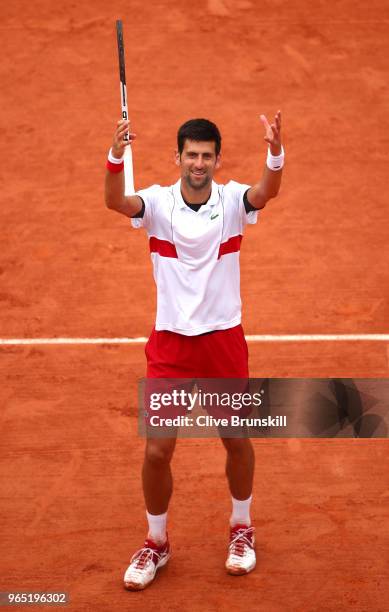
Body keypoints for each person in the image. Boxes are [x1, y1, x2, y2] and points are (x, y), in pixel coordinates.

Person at [104, 112, 284, 590]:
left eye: (207, 155)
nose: (199, 162)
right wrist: (116, 155)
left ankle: (241, 528)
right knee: (158, 450)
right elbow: (116, 202)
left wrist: (275, 153)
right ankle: (156, 542)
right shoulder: (158, 203)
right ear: (178, 157)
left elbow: (266, 193)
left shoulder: (231, 201)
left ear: (217, 159)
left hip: (224, 339)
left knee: (235, 438)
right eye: (191, 154)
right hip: (171, 344)